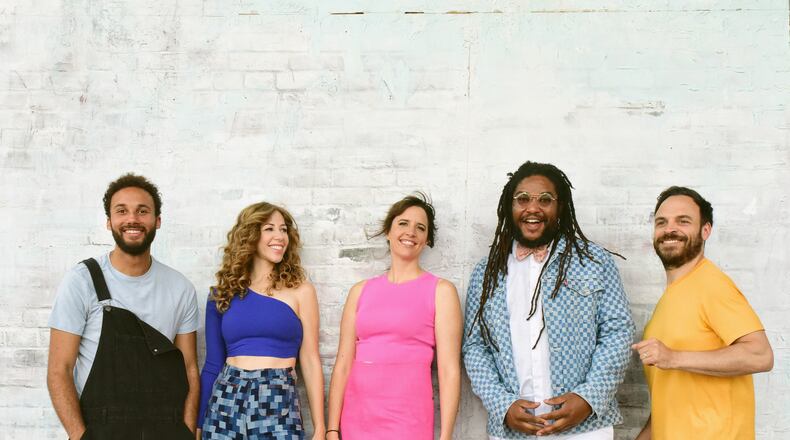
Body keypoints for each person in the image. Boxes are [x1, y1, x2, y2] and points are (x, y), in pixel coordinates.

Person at [463, 161, 635, 439]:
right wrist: (501, 404)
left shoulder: (594, 262)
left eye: (545, 199)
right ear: (510, 206)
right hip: (512, 431)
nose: (533, 208)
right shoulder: (486, 272)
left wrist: (588, 398)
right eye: (522, 199)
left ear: (561, 207)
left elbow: (618, 332)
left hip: (586, 428)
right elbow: (474, 346)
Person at [47, 173, 200, 439]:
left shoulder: (180, 287)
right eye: (122, 211)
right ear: (109, 222)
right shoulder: (82, 281)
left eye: (143, 211)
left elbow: (189, 368)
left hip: (166, 428)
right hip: (101, 430)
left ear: (157, 221)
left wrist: (186, 430)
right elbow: (59, 370)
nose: (132, 219)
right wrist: (79, 436)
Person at [633, 186, 773, 440]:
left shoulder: (712, 285)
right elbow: (672, 394)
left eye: (683, 221)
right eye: (661, 222)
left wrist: (673, 357)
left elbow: (760, 355)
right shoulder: (671, 298)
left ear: (705, 230)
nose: (669, 229)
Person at [326, 193, 462, 440]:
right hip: (358, 417)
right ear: (388, 231)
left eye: (420, 228)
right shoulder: (360, 292)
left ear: (427, 239)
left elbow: (449, 370)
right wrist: (332, 429)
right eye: (403, 223)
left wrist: (446, 437)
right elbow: (343, 365)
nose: (411, 232)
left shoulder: (441, 291)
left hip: (409, 419)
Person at [198, 202, 324, 440]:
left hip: (277, 397)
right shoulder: (222, 293)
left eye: (284, 229)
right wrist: (198, 424)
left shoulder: (301, 291)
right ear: (250, 235)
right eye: (269, 229)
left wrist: (320, 428)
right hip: (227, 398)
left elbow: (310, 358)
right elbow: (213, 365)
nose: (279, 236)